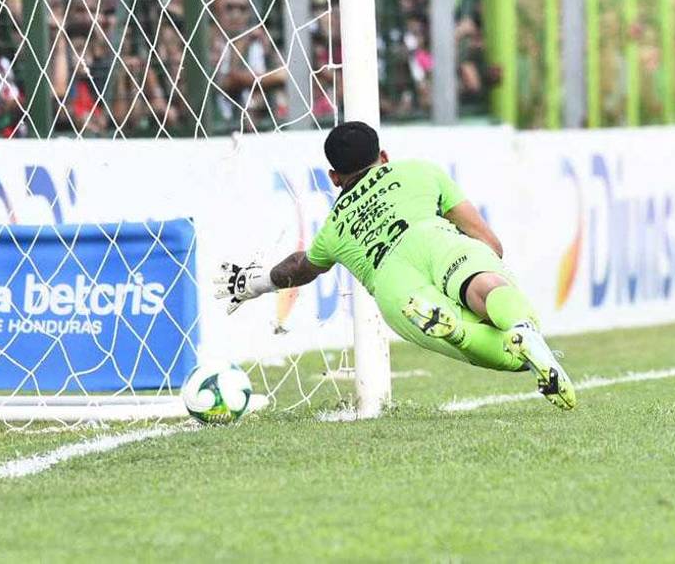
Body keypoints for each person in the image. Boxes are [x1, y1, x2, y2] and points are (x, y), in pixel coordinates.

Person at [213, 121, 576, 410]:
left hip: (391, 282)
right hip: (435, 240)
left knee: (485, 347)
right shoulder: (420, 171)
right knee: (490, 291)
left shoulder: (334, 228)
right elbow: (490, 243)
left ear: (334, 178)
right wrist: (482, 272)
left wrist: (257, 283)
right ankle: (520, 327)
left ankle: (456, 331)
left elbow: (302, 267)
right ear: (383, 156)